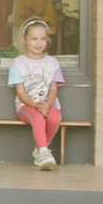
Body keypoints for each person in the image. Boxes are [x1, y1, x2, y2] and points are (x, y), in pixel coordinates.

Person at [9, 18, 66, 170]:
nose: (38, 43)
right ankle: (44, 152)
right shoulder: (18, 63)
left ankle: (41, 149)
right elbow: (20, 92)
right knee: (38, 118)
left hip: (48, 104)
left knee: (55, 117)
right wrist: (35, 105)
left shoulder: (53, 62)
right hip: (26, 106)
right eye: (34, 39)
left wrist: (48, 104)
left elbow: (54, 88)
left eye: (43, 39)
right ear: (24, 40)